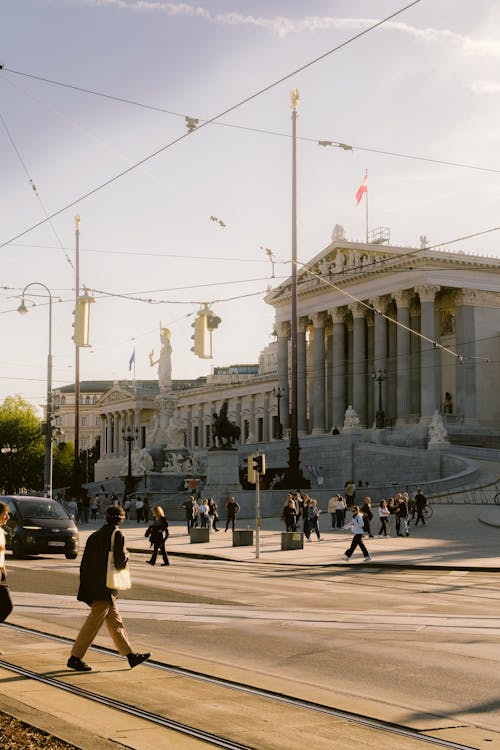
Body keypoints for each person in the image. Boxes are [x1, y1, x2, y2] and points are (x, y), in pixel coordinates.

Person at [67, 505, 150, 672]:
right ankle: (75, 657)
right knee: (93, 623)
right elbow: (119, 562)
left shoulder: (94, 536)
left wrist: (85, 587)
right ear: (121, 519)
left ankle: (131, 656)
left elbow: (84, 565)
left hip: (93, 585)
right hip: (105, 587)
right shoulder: (117, 534)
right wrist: (127, 555)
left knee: (115, 621)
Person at [0, 502, 14, 628]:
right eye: (5, 514)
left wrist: (3, 566)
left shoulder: (1, 531)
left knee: (6, 606)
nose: (8, 517)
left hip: (1, 574)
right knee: (6, 606)